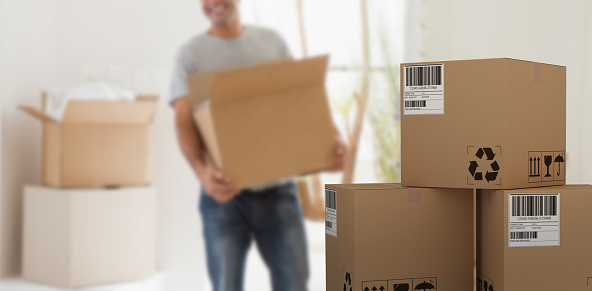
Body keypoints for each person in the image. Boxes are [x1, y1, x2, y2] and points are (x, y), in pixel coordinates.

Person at [170, 0, 347, 291]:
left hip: (279, 192)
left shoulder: (271, 43)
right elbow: (183, 121)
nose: (214, 3)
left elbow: (300, 99)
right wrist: (201, 171)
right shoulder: (189, 55)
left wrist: (331, 140)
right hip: (223, 198)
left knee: (294, 284)